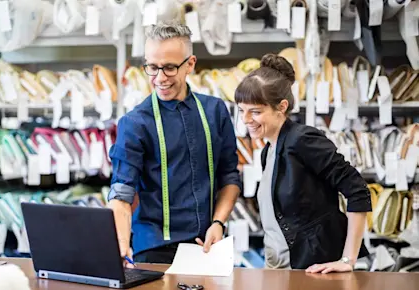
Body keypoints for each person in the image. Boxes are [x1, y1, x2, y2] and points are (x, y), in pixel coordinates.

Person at [107, 22, 242, 266]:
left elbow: (229, 176)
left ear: (190, 64)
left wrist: (218, 223)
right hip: (153, 248)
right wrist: (121, 243)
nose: (159, 78)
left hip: (207, 245)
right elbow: (121, 192)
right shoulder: (134, 123)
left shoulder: (215, 111)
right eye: (152, 67)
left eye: (169, 68)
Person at [234, 54, 372, 273]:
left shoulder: (303, 140)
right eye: (241, 110)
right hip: (277, 269)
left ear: (281, 106)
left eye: (255, 112)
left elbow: (357, 190)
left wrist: (348, 260)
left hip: (311, 270)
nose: (246, 119)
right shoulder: (268, 151)